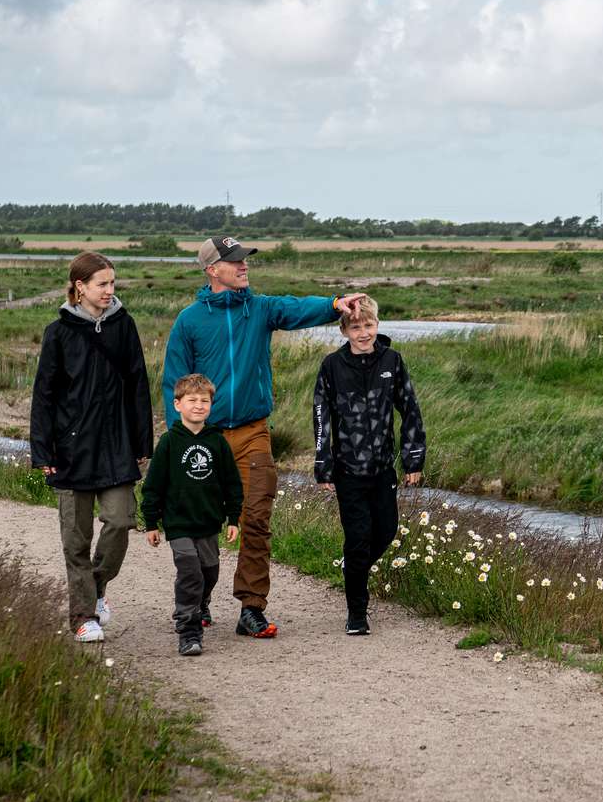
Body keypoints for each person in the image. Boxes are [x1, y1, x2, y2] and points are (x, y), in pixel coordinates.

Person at [161, 236, 364, 639]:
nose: (243, 266)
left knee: (255, 518)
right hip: (205, 437)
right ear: (211, 270)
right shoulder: (190, 321)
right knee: (202, 524)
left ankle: (251, 607)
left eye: (244, 259)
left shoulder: (260, 308)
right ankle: (198, 599)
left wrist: (333, 304)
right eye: (234, 260)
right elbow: (174, 384)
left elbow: (294, 308)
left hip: (253, 433)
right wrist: (180, 440)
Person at [30, 251, 152, 643]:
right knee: (76, 537)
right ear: (80, 287)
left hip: (116, 446)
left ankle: (96, 588)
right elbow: (44, 395)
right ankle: (83, 616)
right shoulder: (58, 332)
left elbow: (138, 385)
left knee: (120, 521)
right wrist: (43, 451)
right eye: (103, 284)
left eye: (112, 283)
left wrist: (141, 442)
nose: (109, 291)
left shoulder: (124, 326)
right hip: (71, 451)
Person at [312, 294, 426, 635]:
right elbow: (321, 417)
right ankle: (357, 615)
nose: (364, 333)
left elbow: (410, 410)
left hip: (382, 470)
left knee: (386, 531)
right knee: (358, 539)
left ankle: (353, 568)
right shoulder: (332, 366)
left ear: (377, 325)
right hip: (348, 470)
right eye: (356, 327)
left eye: (369, 325)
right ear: (344, 330)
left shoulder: (392, 360)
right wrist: (323, 465)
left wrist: (413, 458)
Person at [141, 374, 243, 656]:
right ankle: (188, 630)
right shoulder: (169, 442)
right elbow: (153, 486)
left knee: (209, 573)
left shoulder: (218, 442)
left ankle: (201, 602)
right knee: (190, 573)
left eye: (204, 401)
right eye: (192, 400)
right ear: (178, 404)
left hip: (209, 522)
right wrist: (151, 522)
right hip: (178, 524)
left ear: (211, 405)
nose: (198, 406)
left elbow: (232, 483)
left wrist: (233, 517)